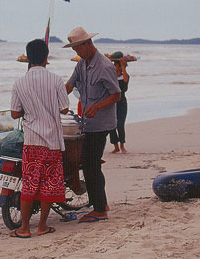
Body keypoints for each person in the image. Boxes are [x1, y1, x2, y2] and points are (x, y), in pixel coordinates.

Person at [10, 39, 70, 238]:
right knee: (50, 183)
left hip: (32, 141)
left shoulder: (20, 82)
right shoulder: (55, 80)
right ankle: (42, 226)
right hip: (52, 141)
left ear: (27, 58)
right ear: (46, 58)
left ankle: (25, 228)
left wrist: (31, 108)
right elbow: (64, 108)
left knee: (29, 182)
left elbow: (14, 113)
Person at [64, 27, 121, 223]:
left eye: (78, 48)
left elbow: (116, 95)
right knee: (92, 163)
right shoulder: (81, 64)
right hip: (87, 122)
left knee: (89, 164)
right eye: (74, 50)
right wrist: (55, 98)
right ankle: (102, 203)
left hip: (101, 123)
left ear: (88, 44)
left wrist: (97, 106)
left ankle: (99, 210)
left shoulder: (105, 66)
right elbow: (70, 84)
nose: (77, 53)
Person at [108, 51, 129, 154]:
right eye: (117, 65)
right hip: (111, 102)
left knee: (120, 124)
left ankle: (122, 145)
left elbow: (125, 83)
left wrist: (123, 67)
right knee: (111, 125)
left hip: (122, 102)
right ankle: (115, 146)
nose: (118, 68)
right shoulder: (110, 76)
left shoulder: (124, 75)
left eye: (120, 66)